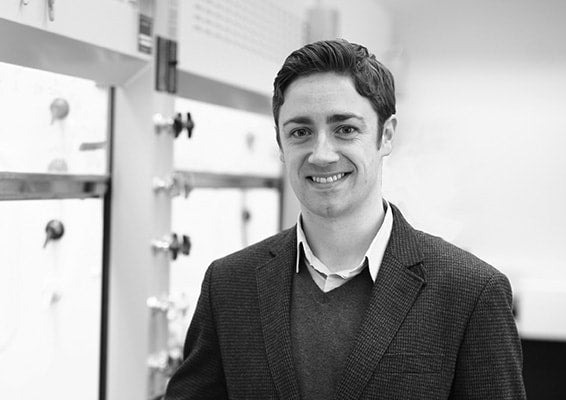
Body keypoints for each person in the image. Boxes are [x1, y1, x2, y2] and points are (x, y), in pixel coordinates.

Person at [164, 39, 526, 400]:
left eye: (346, 129)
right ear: (281, 144)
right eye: (300, 132)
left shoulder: (470, 293)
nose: (321, 155)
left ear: (386, 135)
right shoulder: (229, 286)